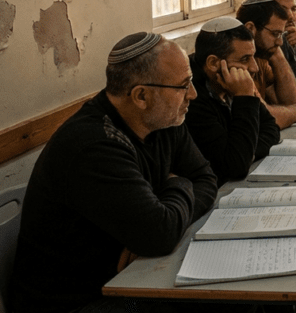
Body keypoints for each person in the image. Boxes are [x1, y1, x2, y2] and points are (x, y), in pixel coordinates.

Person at [10, 33, 217, 313]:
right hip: (81, 302)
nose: (192, 94)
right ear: (141, 96)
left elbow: (205, 179)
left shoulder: (164, 118)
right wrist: (179, 183)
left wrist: (166, 218)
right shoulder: (93, 144)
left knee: (224, 299)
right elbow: (160, 234)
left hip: (129, 279)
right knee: (201, 304)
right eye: (183, 85)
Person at [184, 17, 281, 185]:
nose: (254, 68)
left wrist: (247, 152)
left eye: (253, 57)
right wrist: (244, 97)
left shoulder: (230, 82)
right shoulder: (192, 98)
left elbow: (271, 128)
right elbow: (236, 167)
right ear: (213, 63)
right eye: (244, 59)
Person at [236, 0, 296, 126]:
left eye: (281, 34)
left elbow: (290, 101)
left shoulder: (262, 57)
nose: (280, 42)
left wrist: (276, 54)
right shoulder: (236, 61)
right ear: (250, 29)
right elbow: (267, 118)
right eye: (275, 34)